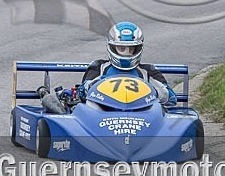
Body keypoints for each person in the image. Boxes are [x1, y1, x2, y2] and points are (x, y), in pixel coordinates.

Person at [41, 22, 176, 113]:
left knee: (160, 111)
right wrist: (93, 85)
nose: (126, 53)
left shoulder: (148, 71)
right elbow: (82, 92)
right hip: (103, 115)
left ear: (138, 48)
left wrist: (154, 91)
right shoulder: (99, 67)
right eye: (121, 48)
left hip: (141, 116)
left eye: (131, 49)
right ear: (111, 47)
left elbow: (171, 98)